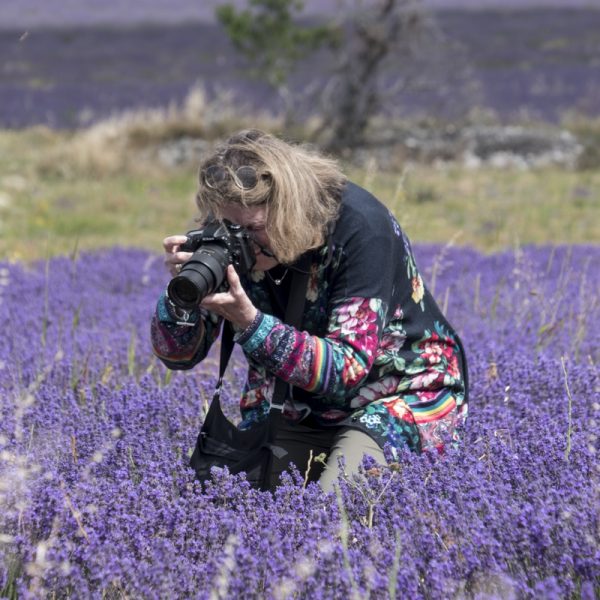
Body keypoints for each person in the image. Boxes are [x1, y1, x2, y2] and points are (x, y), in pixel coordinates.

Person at [151, 129, 468, 492]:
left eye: (255, 229)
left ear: (288, 210)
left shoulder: (361, 229)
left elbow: (347, 368)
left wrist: (250, 325)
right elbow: (178, 355)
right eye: (230, 227)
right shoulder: (230, 237)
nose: (245, 244)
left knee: (339, 508)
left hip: (397, 393)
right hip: (293, 405)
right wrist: (183, 292)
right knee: (237, 509)